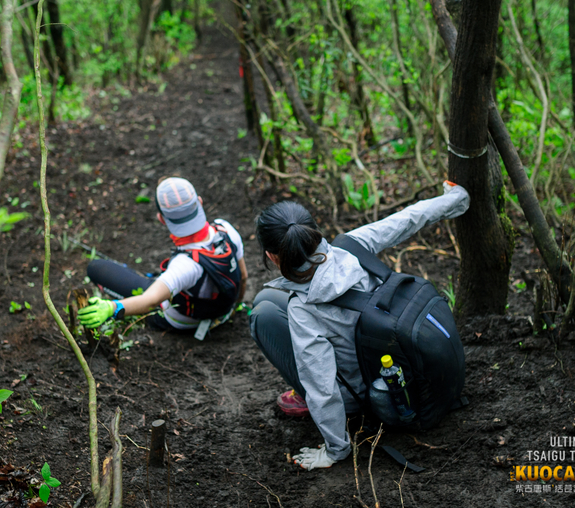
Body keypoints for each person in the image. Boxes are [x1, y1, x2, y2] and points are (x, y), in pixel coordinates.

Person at [249, 181, 469, 470]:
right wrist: (456, 198)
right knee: (267, 298)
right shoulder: (352, 245)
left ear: (272, 257)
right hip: (389, 364)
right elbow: (406, 219)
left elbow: (322, 387)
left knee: (262, 314)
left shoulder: (304, 310)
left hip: (359, 396)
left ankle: (331, 417)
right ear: (313, 232)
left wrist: (335, 450)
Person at [79, 177, 248, 333]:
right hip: (224, 312)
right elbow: (243, 277)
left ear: (161, 218)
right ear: (200, 202)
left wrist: (111, 308)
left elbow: (150, 301)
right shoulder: (226, 230)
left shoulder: (184, 265)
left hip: (182, 323)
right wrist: (235, 306)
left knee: (96, 268)